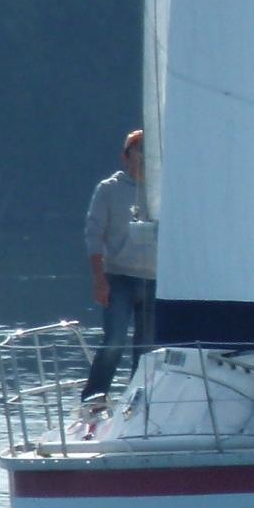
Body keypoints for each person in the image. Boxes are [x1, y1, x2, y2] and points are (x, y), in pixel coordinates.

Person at [81, 128, 156, 402]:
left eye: (150, 150)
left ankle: (138, 401)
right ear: (126, 156)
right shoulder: (109, 189)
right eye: (139, 150)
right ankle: (94, 398)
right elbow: (94, 234)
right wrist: (99, 279)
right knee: (114, 341)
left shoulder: (162, 191)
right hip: (119, 278)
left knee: (147, 348)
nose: (145, 156)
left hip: (155, 280)